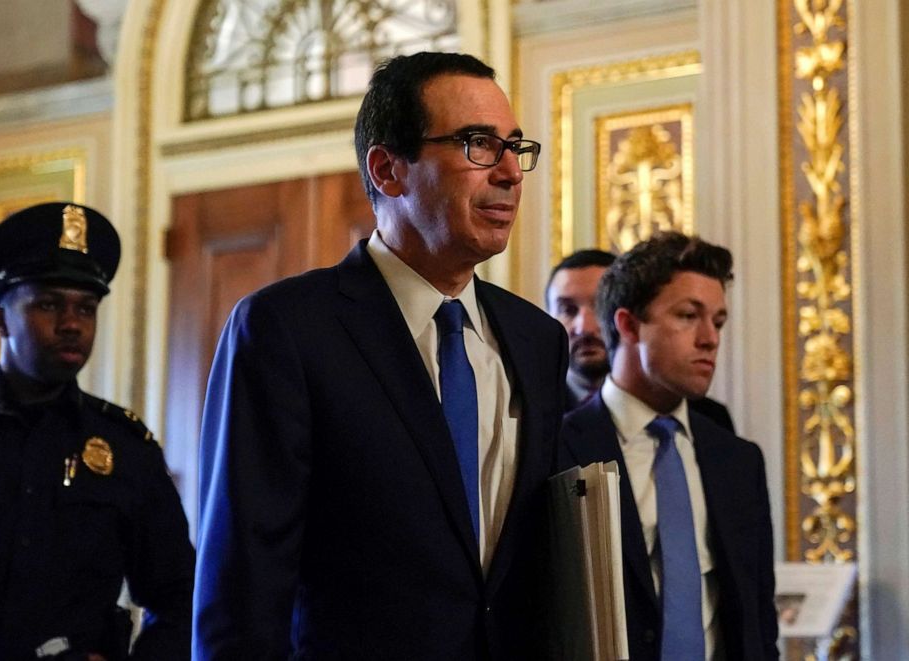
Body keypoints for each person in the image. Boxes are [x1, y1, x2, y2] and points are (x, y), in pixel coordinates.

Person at [194, 52, 568, 659]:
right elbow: (243, 585)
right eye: (477, 143)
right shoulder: (286, 330)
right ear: (389, 169)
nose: (509, 171)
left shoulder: (537, 339)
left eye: (516, 147)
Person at [0, 203, 194, 660]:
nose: (71, 324)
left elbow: (181, 595)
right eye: (48, 304)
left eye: (86, 309)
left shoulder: (125, 448)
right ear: (0, 320)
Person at [557, 232, 777, 660]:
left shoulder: (738, 460)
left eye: (718, 321)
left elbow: (757, 622)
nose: (709, 339)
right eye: (688, 315)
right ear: (628, 324)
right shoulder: (557, 449)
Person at [547, 248, 737, 432]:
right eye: (568, 310)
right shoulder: (534, 415)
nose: (584, 328)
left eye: (599, 307)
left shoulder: (712, 420)